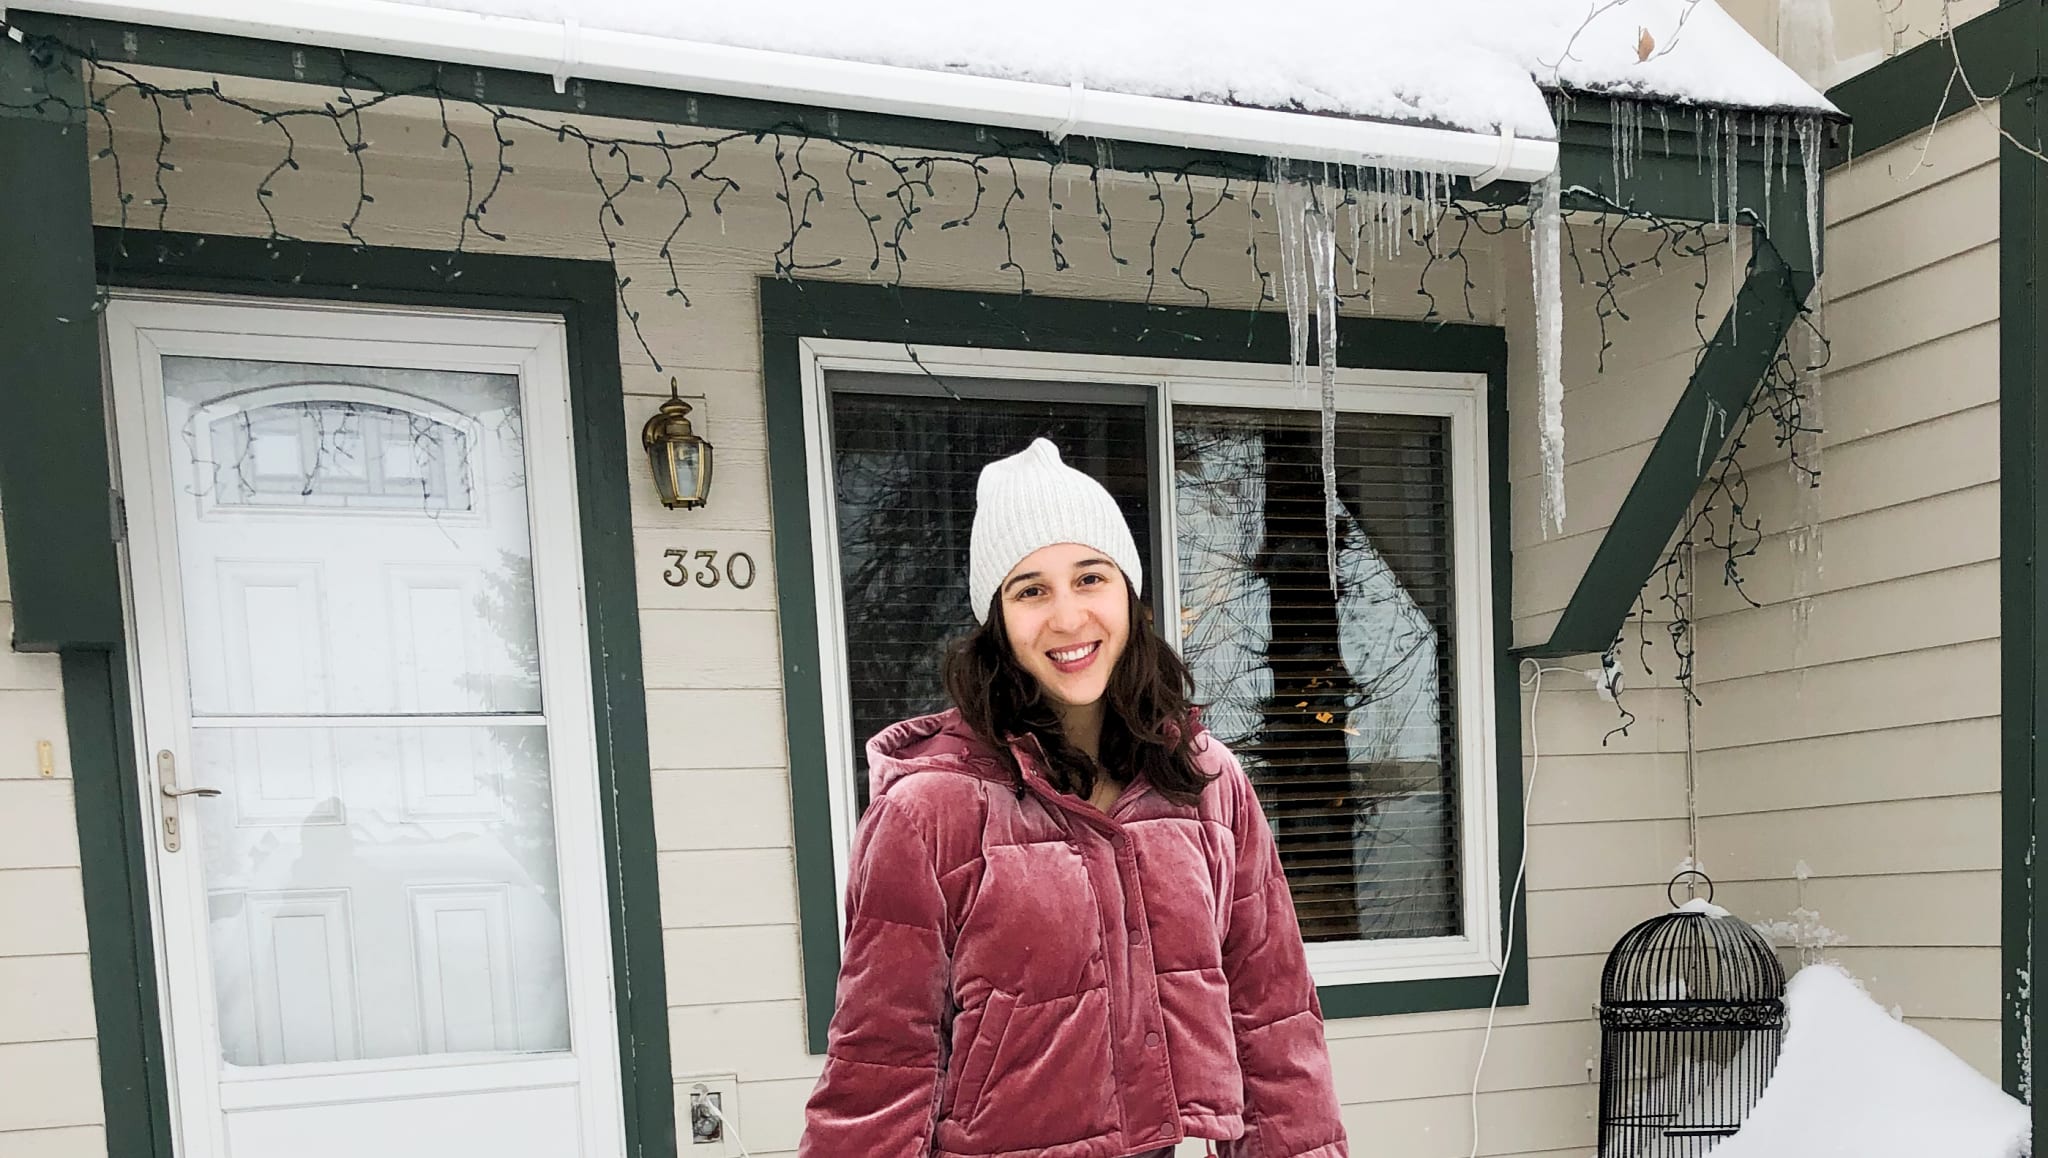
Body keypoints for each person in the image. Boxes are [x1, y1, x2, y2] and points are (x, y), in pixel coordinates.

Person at [798, 438, 1349, 1158]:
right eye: (1031, 590)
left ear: (1129, 592)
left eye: (1090, 578)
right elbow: (880, 1069)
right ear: (997, 621)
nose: (1066, 618)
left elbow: (1274, 1025)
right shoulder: (929, 811)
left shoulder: (1206, 783)